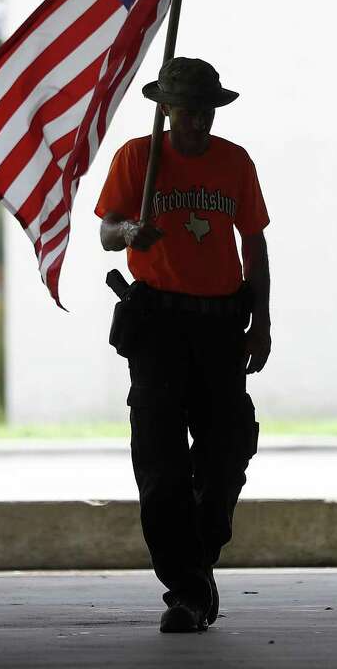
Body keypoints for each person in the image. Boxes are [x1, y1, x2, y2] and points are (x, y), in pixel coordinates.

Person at [96, 56, 271, 634]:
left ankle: (197, 555)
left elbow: (255, 245)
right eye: (188, 110)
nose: (199, 121)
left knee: (227, 453)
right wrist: (129, 232)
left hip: (221, 328)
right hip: (159, 329)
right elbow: (106, 232)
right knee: (160, 463)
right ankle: (187, 590)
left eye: (207, 111)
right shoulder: (137, 159)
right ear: (165, 109)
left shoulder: (235, 163)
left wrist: (261, 323)